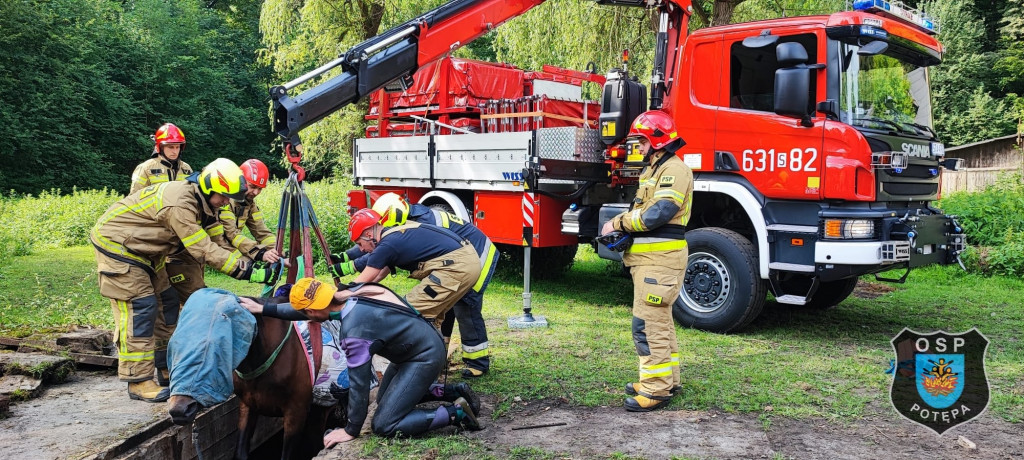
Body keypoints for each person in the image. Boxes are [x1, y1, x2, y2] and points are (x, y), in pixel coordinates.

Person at [92, 158, 278, 402]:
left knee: (168, 302)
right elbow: (202, 249)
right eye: (223, 196)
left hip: (148, 252)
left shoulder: (207, 204)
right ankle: (137, 380)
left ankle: (165, 367)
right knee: (141, 307)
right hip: (119, 247)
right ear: (210, 187)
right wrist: (247, 272)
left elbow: (219, 243)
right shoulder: (181, 203)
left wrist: (253, 262)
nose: (226, 202)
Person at [237, 278, 483, 444]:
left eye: (305, 313)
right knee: (387, 401)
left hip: (422, 357)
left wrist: (350, 429)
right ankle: (452, 391)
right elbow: (304, 310)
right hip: (414, 348)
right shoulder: (353, 292)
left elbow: (358, 383)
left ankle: (456, 413)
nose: (305, 316)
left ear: (311, 312)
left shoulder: (354, 332)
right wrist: (264, 310)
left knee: (385, 423)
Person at [599, 110, 693, 412]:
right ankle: (668, 380)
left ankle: (655, 389)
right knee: (659, 323)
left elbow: (658, 213)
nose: (636, 148)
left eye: (640, 141)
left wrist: (620, 223)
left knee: (646, 326)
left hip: (660, 263)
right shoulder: (656, 169)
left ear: (656, 139)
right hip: (652, 262)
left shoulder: (674, 170)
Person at [355, 193, 496, 378]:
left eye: (359, 244)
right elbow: (380, 268)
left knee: (420, 311)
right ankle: (437, 358)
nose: (360, 249)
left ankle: (475, 362)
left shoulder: (396, 237)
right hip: (464, 259)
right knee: (436, 311)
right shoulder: (412, 221)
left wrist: (344, 292)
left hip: (474, 258)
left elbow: (373, 269)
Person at [328, 209, 481, 330]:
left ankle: (419, 359)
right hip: (467, 261)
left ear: (368, 234)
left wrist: (334, 298)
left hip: (456, 267)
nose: (361, 249)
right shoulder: (395, 233)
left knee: (407, 311)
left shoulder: (387, 245)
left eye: (360, 243)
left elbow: (360, 282)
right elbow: (379, 274)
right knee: (431, 315)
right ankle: (433, 361)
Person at [217, 159, 281, 264]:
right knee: (247, 265)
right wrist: (261, 253)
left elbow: (261, 232)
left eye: (260, 189)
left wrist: (279, 251)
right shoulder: (225, 200)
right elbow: (231, 234)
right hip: (209, 247)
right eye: (252, 186)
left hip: (223, 248)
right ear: (240, 180)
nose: (256, 192)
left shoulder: (249, 204)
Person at [130, 123, 193, 194]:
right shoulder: (145, 168)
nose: (175, 151)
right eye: (171, 147)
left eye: (177, 147)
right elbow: (134, 198)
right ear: (160, 147)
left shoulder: (186, 169)